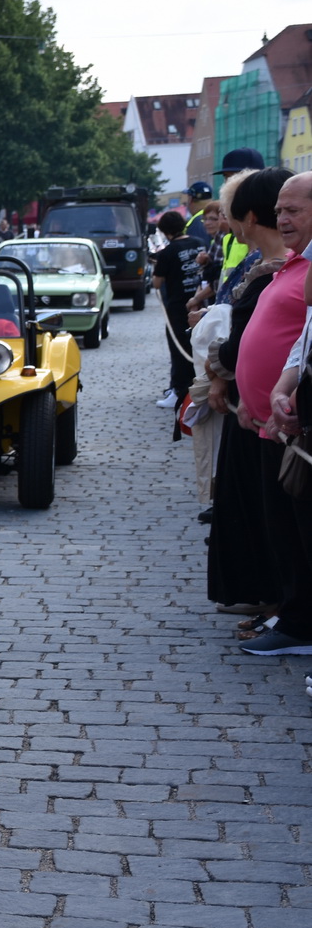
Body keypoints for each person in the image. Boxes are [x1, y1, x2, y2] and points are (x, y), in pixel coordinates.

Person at [227, 170, 312, 657]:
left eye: (293, 210)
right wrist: (271, 391)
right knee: (283, 529)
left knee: (299, 529)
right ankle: (292, 609)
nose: (281, 218)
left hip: (295, 426)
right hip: (271, 420)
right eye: (278, 209)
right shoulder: (296, 263)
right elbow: (302, 341)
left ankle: (301, 620)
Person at [207, 167, 291, 618]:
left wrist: (218, 364)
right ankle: (265, 593)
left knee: (270, 510)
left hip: (273, 411)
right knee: (254, 505)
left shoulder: (285, 267)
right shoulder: (264, 266)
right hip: (253, 406)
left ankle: (278, 599)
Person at [152, 210, 202, 406]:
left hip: (177, 307)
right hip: (200, 303)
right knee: (197, 347)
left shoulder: (169, 251)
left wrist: (158, 265)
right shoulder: (199, 242)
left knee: (179, 348)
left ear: (165, 231)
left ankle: (179, 392)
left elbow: (156, 283)